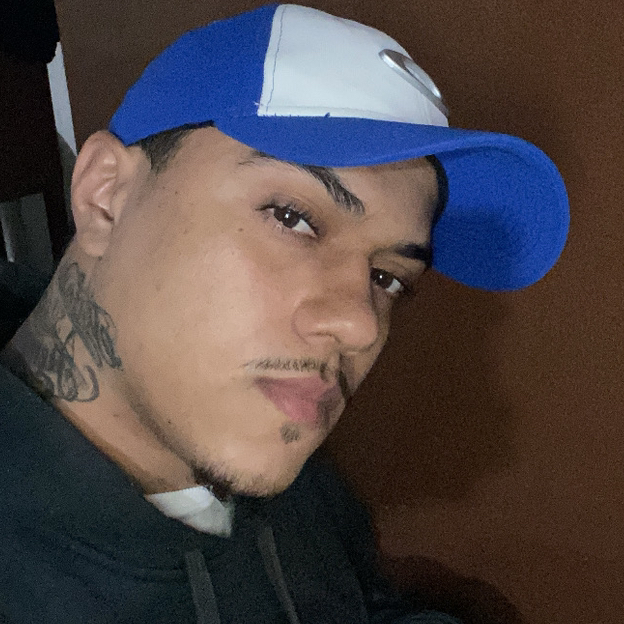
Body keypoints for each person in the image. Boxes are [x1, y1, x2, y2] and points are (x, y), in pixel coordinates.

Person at [0, 4, 569, 623]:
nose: (360, 326)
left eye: (387, 277)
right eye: (292, 217)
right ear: (105, 195)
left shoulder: (296, 474)